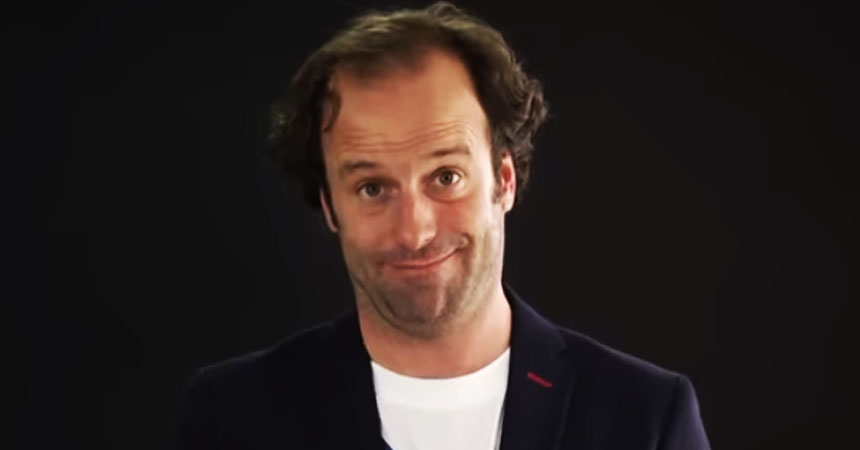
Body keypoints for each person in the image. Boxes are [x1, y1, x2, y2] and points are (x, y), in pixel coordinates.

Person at [168, 2, 710, 449]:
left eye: (446, 177)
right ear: (330, 207)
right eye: (372, 188)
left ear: (504, 180)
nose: (415, 231)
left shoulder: (644, 418)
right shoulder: (230, 418)